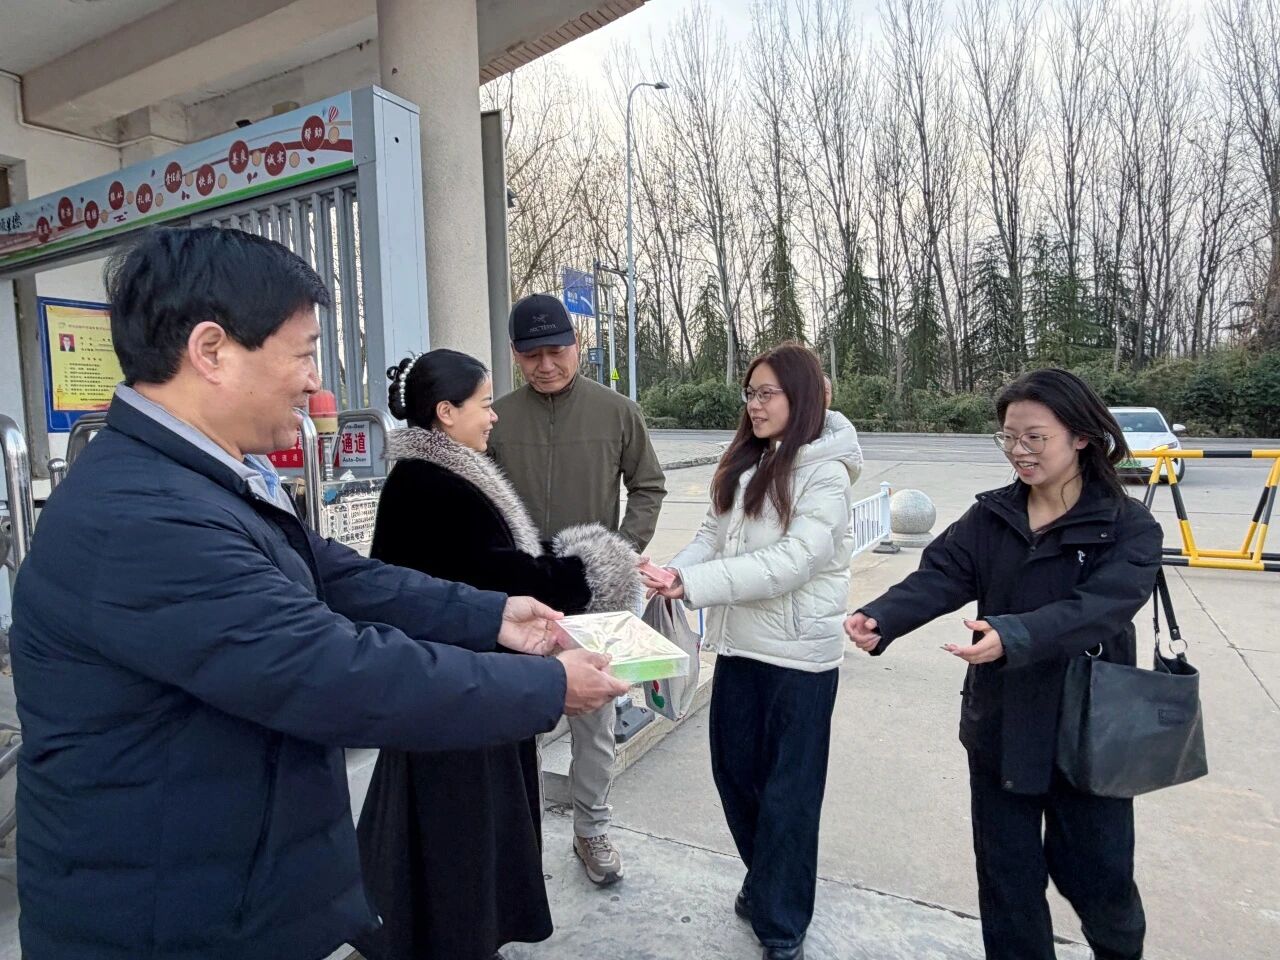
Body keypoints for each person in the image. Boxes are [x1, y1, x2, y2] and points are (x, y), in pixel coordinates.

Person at [8, 227, 623, 960]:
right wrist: (546, 686)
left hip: (222, 888)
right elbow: (333, 671)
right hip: (167, 923)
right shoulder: (145, 518)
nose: (314, 381)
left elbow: (334, 572)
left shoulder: (200, 476)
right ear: (211, 351)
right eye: (302, 353)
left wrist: (491, 614)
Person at [844, 368, 1163, 960]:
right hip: (1002, 723)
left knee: (1099, 878)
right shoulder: (993, 516)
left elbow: (1101, 608)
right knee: (1006, 880)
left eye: (1035, 437)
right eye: (1009, 437)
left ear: (1082, 436)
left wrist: (1014, 635)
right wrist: (883, 616)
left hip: (1088, 727)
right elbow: (943, 574)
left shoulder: (1127, 526)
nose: (1019, 450)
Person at [354, 348, 640, 960]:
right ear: (445, 412)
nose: (493, 416)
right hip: (461, 692)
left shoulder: (434, 474)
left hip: (452, 684)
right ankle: (459, 938)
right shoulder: (435, 485)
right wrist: (595, 568)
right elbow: (501, 573)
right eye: (484, 404)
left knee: (444, 833)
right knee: (464, 836)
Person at [642, 342, 862, 960]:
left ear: (802, 397)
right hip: (740, 649)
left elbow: (794, 562)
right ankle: (768, 879)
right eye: (750, 393)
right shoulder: (747, 461)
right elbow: (710, 537)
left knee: (789, 797)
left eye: (768, 394)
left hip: (800, 660)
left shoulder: (826, 473)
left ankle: (782, 923)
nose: (755, 405)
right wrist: (670, 574)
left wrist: (694, 584)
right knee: (735, 774)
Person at [488, 292, 668, 886]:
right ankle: (510, 836)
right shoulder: (496, 419)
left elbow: (648, 486)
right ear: (514, 354)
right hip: (515, 597)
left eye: (557, 351)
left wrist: (620, 551)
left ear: (577, 345)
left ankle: (591, 828)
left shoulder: (617, 412)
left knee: (595, 721)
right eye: (531, 355)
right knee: (510, 716)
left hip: (593, 595)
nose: (546, 365)